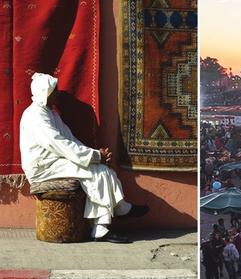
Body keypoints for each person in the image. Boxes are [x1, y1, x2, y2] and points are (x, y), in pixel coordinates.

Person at [19, 73, 149, 243]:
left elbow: (70, 140)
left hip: (54, 161)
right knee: (98, 170)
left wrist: (95, 154)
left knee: (101, 170)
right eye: (54, 91)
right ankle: (115, 214)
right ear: (45, 93)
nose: (57, 94)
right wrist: (95, 156)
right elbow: (60, 145)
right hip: (43, 167)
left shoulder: (50, 113)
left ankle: (107, 221)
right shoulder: (36, 117)